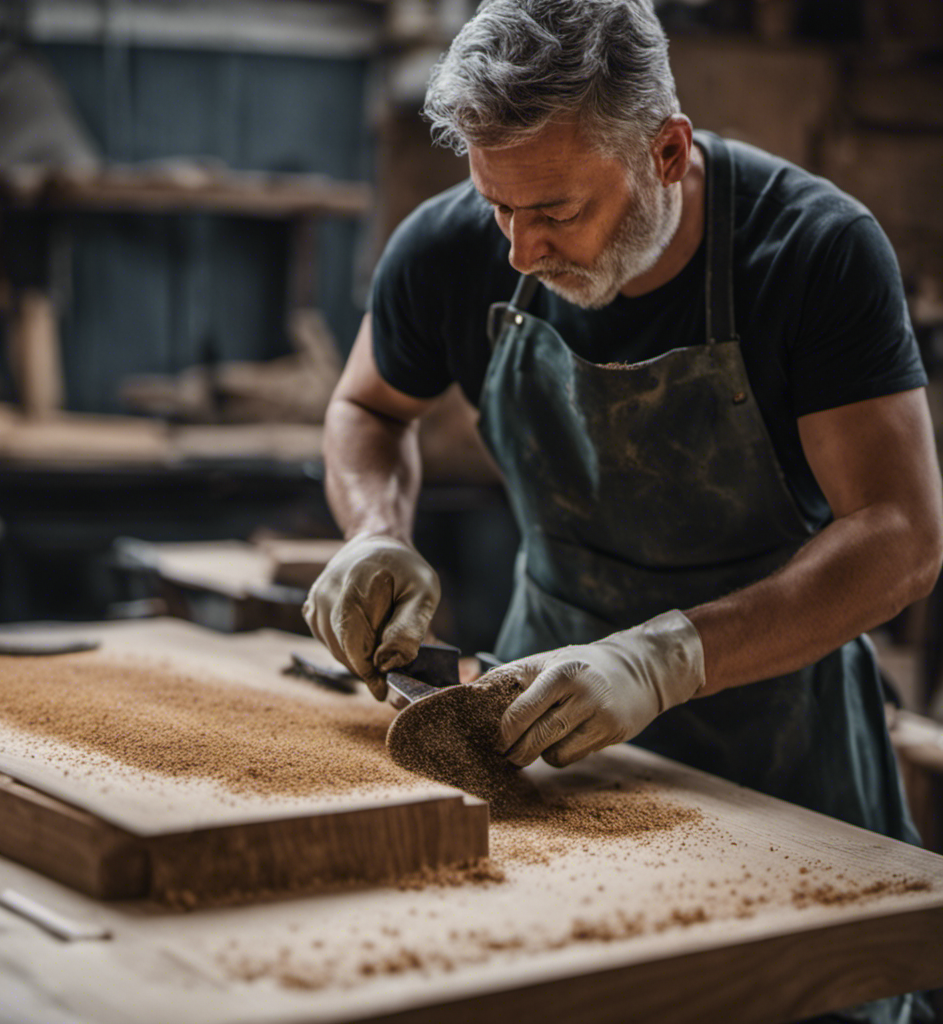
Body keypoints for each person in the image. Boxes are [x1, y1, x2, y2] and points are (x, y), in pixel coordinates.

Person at [305, 3, 941, 1019]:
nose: (519, 249)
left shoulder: (814, 252)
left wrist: (661, 656)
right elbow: (365, 407)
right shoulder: (455, 248)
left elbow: (901, 538)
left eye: (555, 209)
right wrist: (378, 530)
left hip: (780, 748)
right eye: (497, 208)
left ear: (668, 150)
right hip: (539, 740)